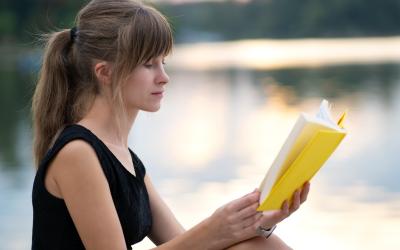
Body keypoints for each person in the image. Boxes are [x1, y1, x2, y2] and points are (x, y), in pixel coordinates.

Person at [31, 0, 310, 249]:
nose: (164, 77)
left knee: (260, 244)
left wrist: (259, 223)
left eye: (163, 62)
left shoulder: (125, 158)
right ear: (105, 72)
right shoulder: (77, 153)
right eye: (148, 64)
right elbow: (196, 242)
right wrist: (214, 226)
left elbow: (184, 243)